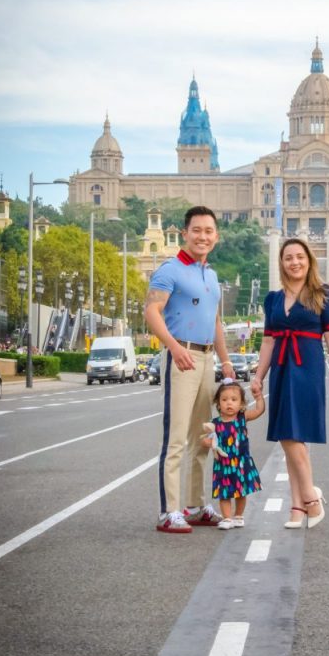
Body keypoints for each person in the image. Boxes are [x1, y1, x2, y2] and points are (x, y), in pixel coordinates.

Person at [144, 206, 235, 534]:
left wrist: (225, 362)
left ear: (216, 236)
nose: (203, 236)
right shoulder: (170, 270)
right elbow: (152, 311)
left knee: (203, 437)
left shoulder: (210, 276)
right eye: (197, 230)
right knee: (177, 437)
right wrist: (173, 346)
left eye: (209, 231)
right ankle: (169, 511)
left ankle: (195, 505)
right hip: (182, 356)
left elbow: (215, 322)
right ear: (185, 234)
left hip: (207, 358)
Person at [250, 237, 329, 529]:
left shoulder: (324, 294)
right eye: (289, 257)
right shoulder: (273, 299)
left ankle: (310, 497)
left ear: (309, 260)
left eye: (300, 257)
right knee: (287, 434)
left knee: (294, 434)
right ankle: (297, 508)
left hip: (308, 367)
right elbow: (267, 340)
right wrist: (258, 375)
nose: (295, 262)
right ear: (282, 263)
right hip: (280, 365)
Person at [202, 379, 265, 530]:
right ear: (218, 402)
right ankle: (227, 518)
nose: (229, 403)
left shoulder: (242, 418)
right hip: (223, 465)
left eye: (234, 400)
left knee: (241, 492)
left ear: (242, 403)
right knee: (224, 493)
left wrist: (259, 398)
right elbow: (204, 440)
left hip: (241, 463)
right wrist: (208, 443)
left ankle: (238, 516)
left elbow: (258, 411)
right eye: (224, 400)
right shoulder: (215, 423)